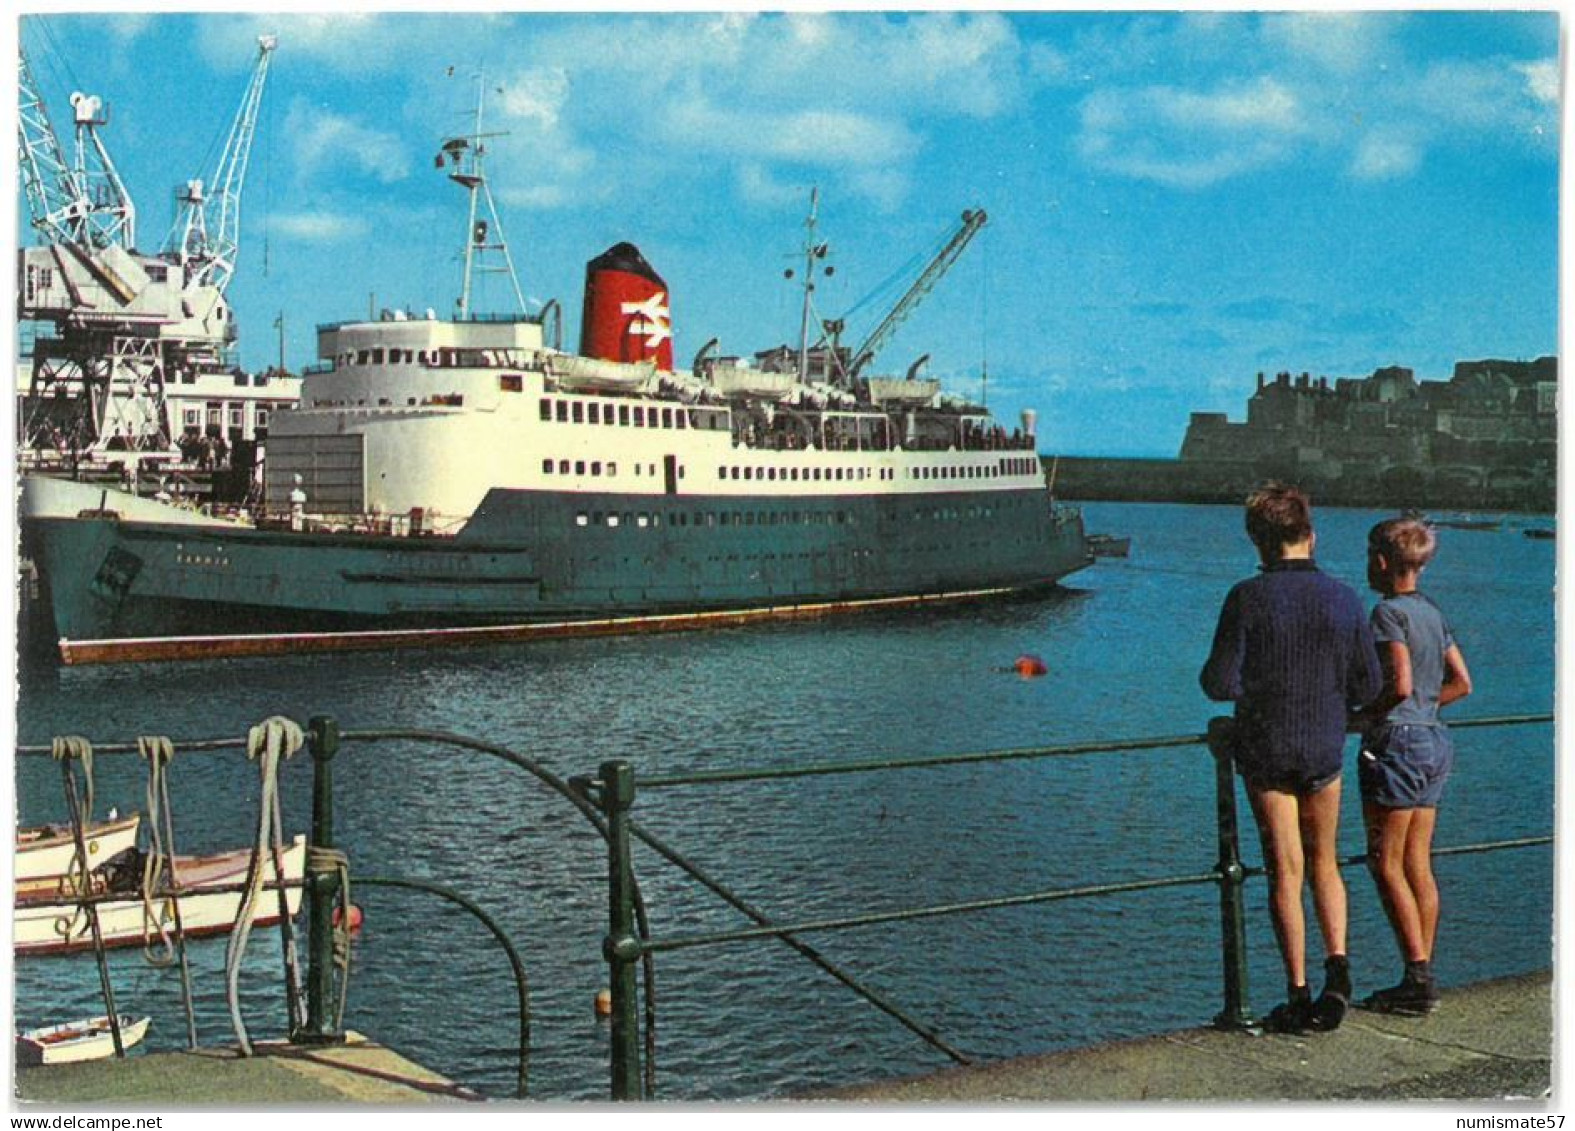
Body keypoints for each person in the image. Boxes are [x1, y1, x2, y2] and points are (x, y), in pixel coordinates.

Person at [1201, 483, 1381, 1033]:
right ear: (1310, 534)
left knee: (1285, 871)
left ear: (1259, 542)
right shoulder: (1346, 598)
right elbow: (1369, 684)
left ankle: (1298, 993)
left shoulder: (1246, 598)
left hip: (1267, 748)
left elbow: (1220, 682)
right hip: (1325, 745)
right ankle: (1339, 974)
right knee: (1325, 862)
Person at [1350, 517, 1472, 1015]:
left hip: (1396, 744)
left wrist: (1364, 718)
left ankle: (1416, 978)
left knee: (1385, 861)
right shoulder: (1432, 613)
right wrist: (1424, 708)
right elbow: (1462, 682)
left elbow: (1397, 683)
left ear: (1381, 562)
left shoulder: (1387, 614)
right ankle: (1420, 971)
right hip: (1433, 742)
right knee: (1418, 862)